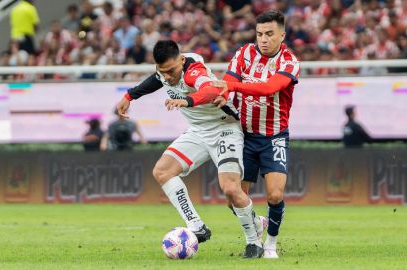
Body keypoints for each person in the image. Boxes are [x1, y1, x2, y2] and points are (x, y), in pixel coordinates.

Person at [117, 40, 265, 258]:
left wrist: (187, 100)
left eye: (170, 71)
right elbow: (154, 81)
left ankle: (254, 242)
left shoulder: (193, 70)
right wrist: (129, 96)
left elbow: (210, 90)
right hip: (198, 131)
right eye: (162, 71)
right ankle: (196, 226)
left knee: (231, 190)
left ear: (182, 60)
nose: (166, 76)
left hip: (224, 128)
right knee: (162, 171)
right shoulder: (165, 71)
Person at [212, 10, 301, 259]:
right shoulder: (243, 54)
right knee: (233, 199)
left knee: (274, 193)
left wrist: (232, 86)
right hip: (242, 136)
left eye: (270, 34)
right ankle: (256, 224)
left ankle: (270, 244)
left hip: (274, 137)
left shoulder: (289, 62)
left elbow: (268, 88)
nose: (263, 39)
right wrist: (222, 94)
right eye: (260, 33)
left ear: (282, 35)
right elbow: (228, 81)